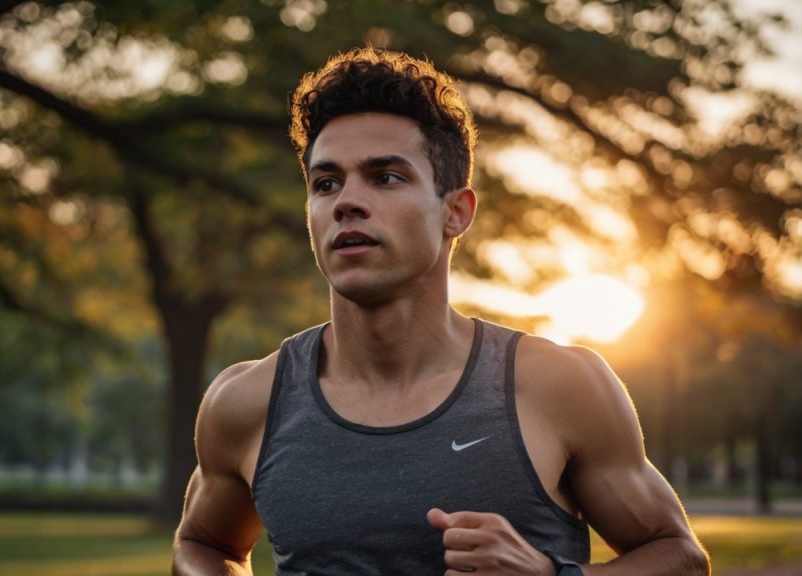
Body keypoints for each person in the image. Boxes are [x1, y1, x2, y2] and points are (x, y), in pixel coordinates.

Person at [172, 47, 710, 575]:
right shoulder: (245, 401)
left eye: (385, 177)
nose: (345, 202)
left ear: (455, 212)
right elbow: (201, 544)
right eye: (326, 183)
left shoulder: (559, 385)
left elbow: (680, 556)